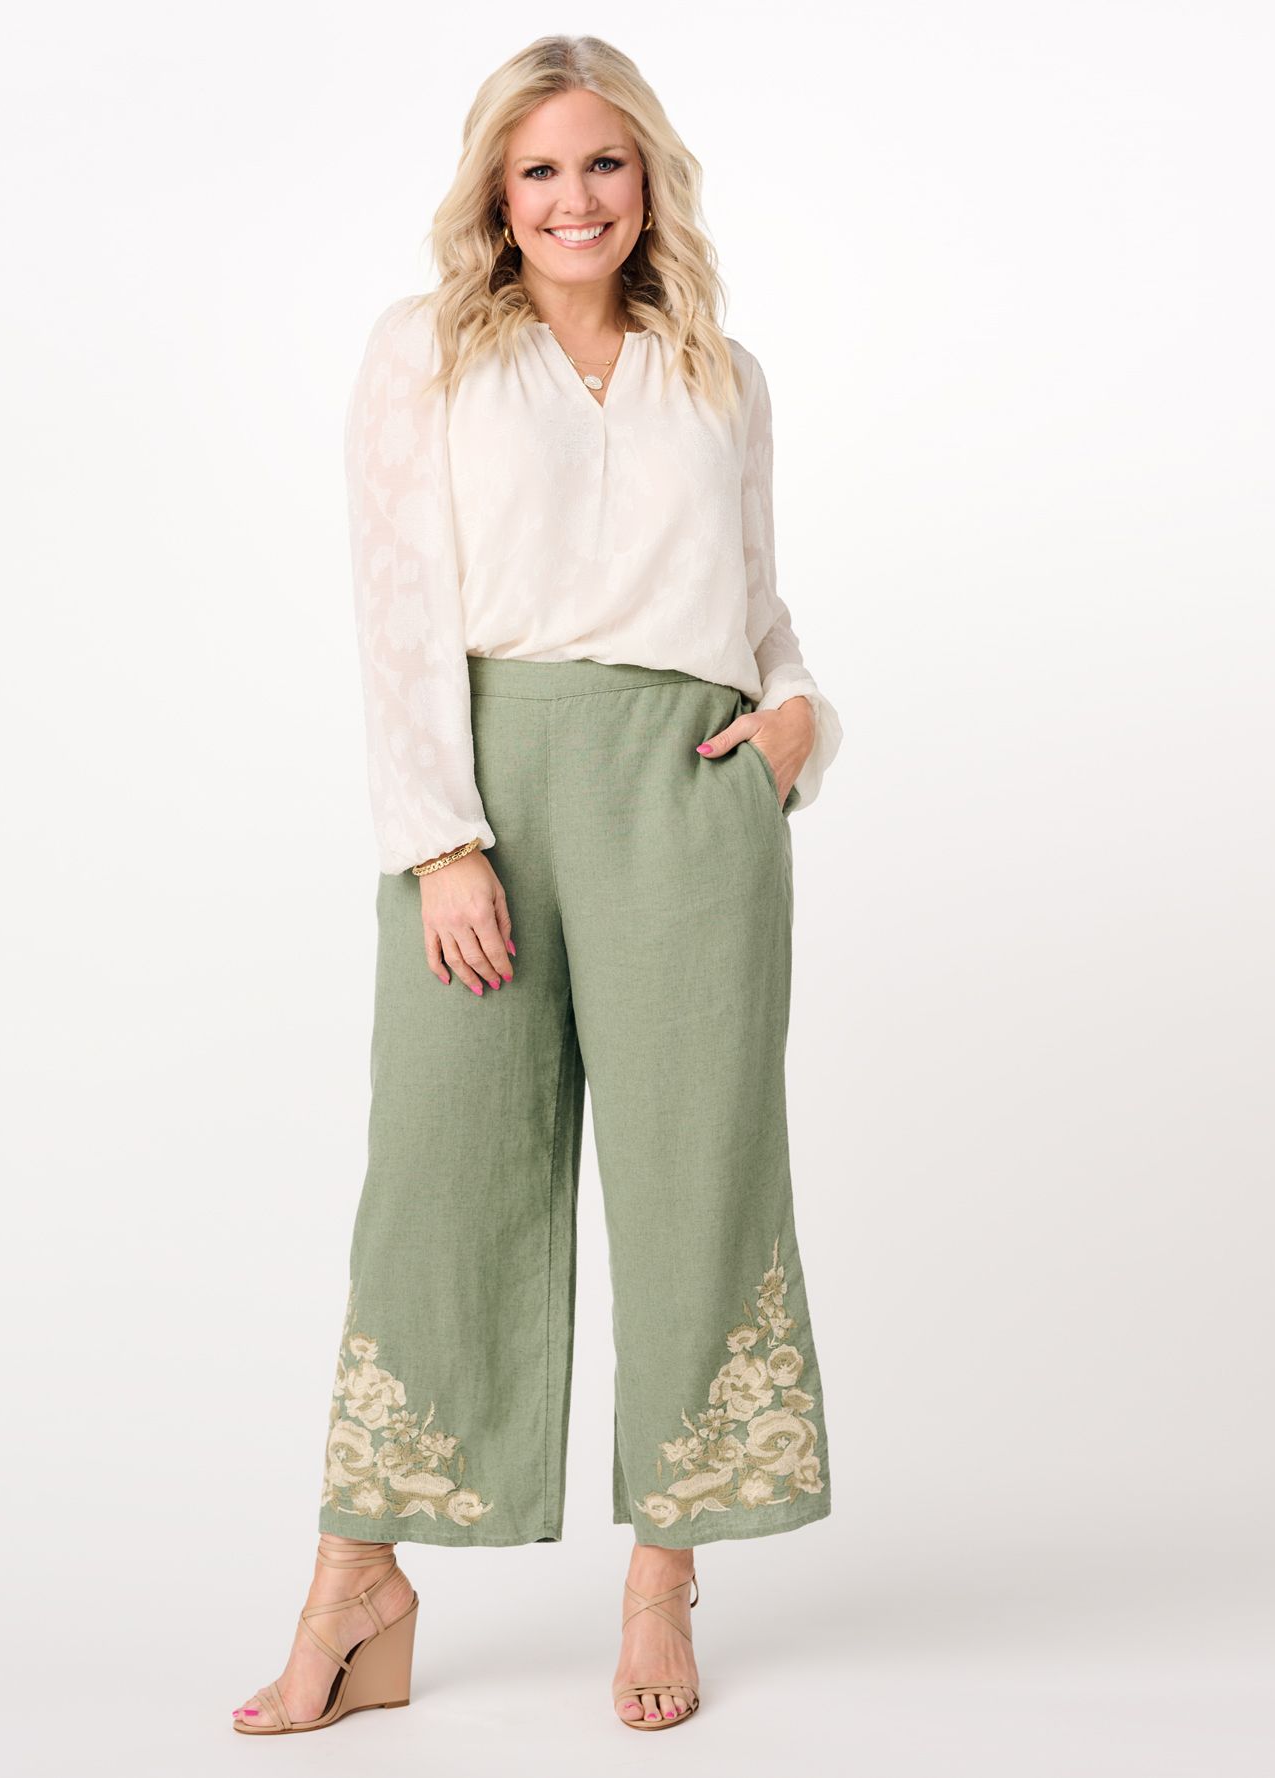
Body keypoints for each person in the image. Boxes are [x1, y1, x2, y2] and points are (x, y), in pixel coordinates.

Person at [235, 32, 844, 1737]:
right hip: (488, 784)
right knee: (437, 1176)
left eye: (603, 163)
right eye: (540, 170)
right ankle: (356, 1580)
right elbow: (395, 604)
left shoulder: (720, 372)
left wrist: (800, 722)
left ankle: (665, 1575)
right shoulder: (427, 350)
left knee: (695, 1177)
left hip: (687, 791)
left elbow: (756, 602)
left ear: (648, 177)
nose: (576, 198)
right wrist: (441, 840)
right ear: (496, 195)